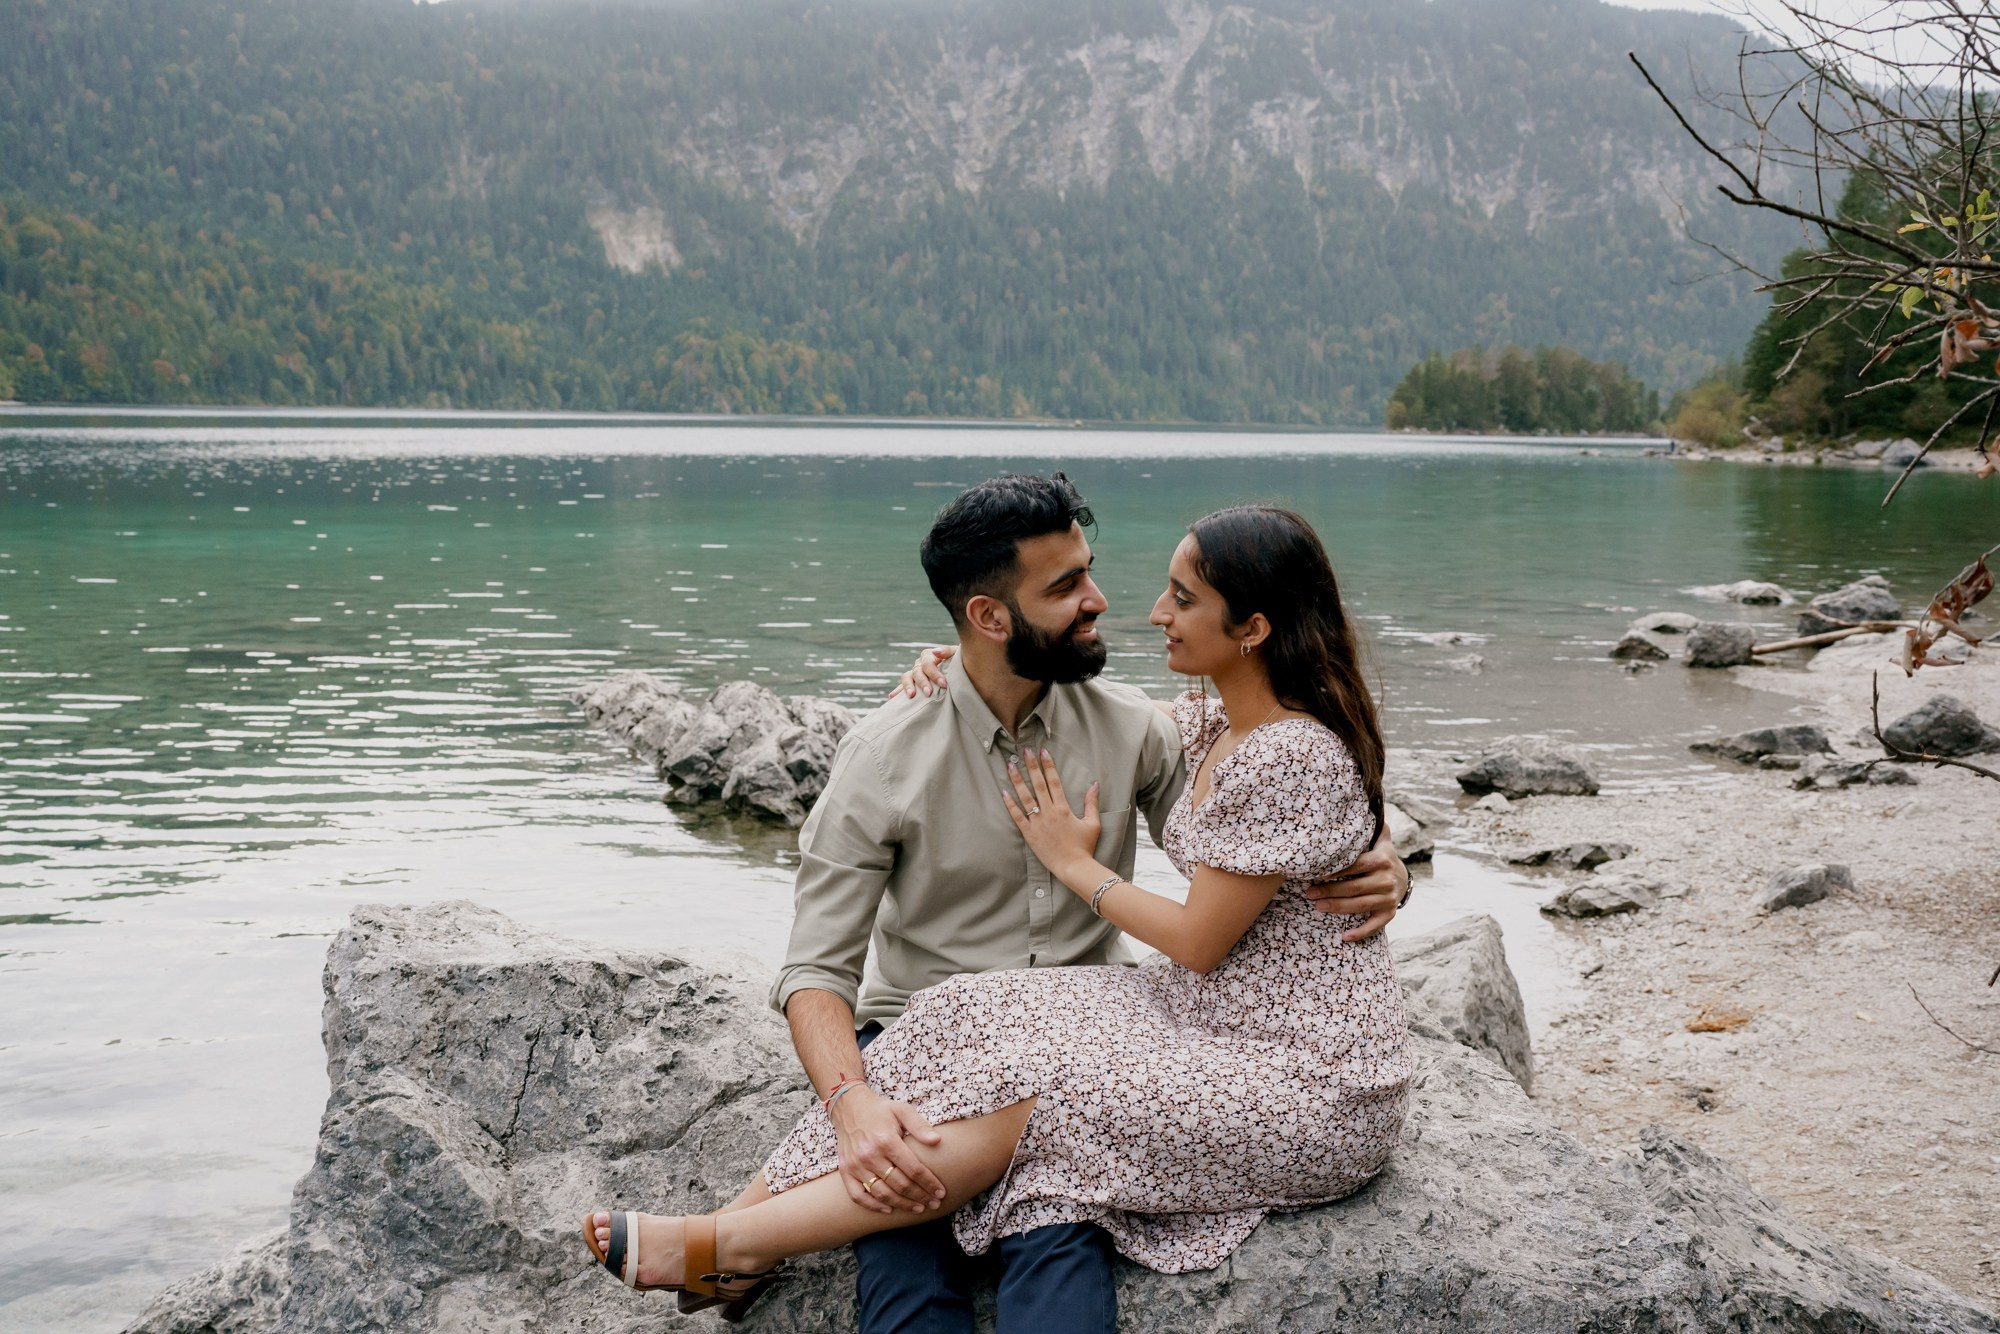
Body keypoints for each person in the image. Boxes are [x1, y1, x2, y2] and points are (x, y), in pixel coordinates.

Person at [582, 500, 1414, 1323]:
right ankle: (734, 1241)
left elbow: (1288, 819)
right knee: (942, 1078)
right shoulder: (892, 752)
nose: (1114, 604)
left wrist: (1389, 868)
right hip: (937, 1028)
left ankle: (722, 1245)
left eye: (1171, 594)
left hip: (1264, 1056)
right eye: (1068, 587)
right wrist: (851, 1103)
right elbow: (814, 969)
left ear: (1254, 626)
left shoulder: (1141, 728)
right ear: (988, 616)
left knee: (1049, 1204)